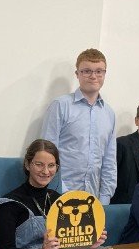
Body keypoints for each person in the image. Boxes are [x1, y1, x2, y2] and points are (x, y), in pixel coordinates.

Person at [0, 139, 106, 249]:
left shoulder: (61, 201)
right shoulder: (9, 204)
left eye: (51, 165)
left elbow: (68, 242)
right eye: (39, 164)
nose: (46, 171)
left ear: (57, 168)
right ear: (27, 164)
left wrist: (88, 243)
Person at [41, 48, 117, 204]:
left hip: (94, 199)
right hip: (59, 195)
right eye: (87, 71)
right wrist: (60, 190)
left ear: (104, 74)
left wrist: (104, 198)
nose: (93, 76)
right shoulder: (60, 106)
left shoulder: (109, 113)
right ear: (77, 74)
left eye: (99, 71)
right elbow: (46, 153)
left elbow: (110, 161)